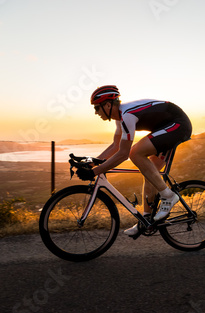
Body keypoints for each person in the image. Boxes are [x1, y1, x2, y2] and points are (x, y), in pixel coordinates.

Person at [75, 85, 192, 236]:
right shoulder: (120, 119)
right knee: (150, 174)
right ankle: (146, 221)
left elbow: (123, 154)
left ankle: (168, 196)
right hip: (167, 127)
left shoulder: (127, 115)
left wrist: (95, 172)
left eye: (97, 108)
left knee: (135, 153)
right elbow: (116, 147)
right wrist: (92, 162)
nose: (96, 112)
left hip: (178, 124)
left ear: (108, 105)